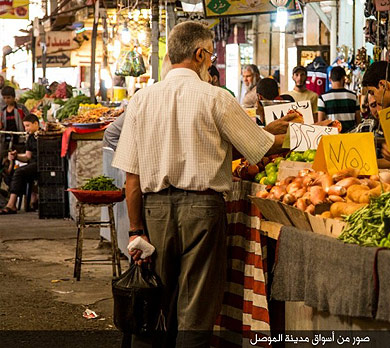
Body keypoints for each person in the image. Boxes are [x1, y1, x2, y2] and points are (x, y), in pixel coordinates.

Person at [112, 21, 290, 347]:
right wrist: (291, 134)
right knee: (196, 310)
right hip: (203, 211)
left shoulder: (141, 100)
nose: (212, 62)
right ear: (199, 54)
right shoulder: (215, 98)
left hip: (154, 212)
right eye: (210, 55)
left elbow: (131, 177)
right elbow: (259, 146)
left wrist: (136, 230)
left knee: (152, 304)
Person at [1, 114, 39, 214]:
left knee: (19, 172)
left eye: (28, 126)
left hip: (41, 164)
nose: (26, 129)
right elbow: (27, 157)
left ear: (36, 124)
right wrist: (16, 156)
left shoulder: (43, 135)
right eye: (25, 126)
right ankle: (28, 201)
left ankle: (11, 205)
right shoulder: (30, 137)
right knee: (12, 173)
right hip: (32, 164)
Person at [349, 93, 390, 169]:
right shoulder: (367, 125)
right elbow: (344, 139)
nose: (378, 110)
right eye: (373, 105)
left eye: (381, 104)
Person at [317, 66, 360, 133]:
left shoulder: (323, 98)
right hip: (350, 138)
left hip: (332, 138)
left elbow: (321, 124)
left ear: (329, 79)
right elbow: (358, 122)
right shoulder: (353, 96)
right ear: (344, 78)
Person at [1, 86, 30, 161]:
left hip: (20, 140)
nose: (6, 100)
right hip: (6, 139)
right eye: (4, 98)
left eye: (8, 98)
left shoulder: (21, 108)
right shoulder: (2, 111)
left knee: (18, 159)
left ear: (13, 97)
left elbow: (29, 118)